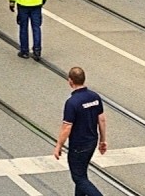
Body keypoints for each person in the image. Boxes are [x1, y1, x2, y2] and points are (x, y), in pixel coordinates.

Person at [53, 66, 107, 196]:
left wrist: (59, 145)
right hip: (92, 142)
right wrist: (103, 140)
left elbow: (67, 127)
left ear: (70, 81)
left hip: (79, 145)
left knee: (79, 178)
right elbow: (102, 120)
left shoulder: (72, 102)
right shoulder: (95, 97)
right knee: (82, 173)